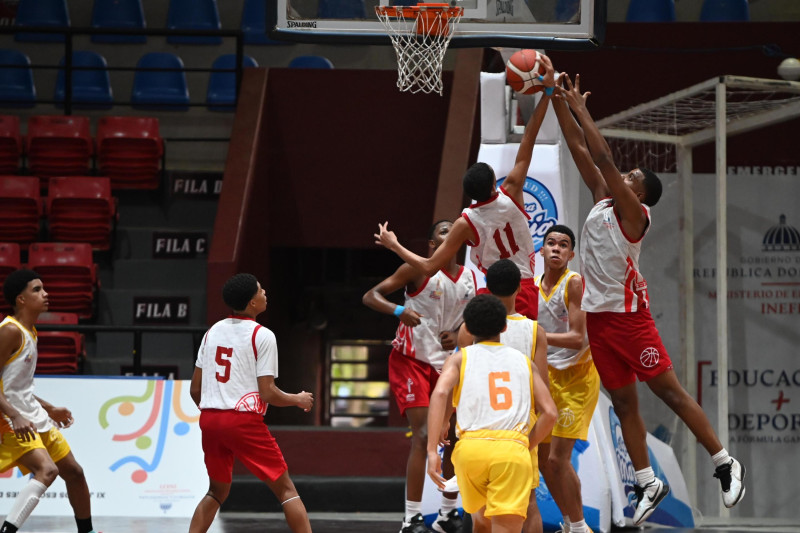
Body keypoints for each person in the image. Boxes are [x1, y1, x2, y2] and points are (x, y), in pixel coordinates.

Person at [553, 73, 745, 525]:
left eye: (631, 177)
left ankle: (724, 462)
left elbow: (602, 155)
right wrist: (554, 96)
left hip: (630, 321)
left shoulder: (635, 216)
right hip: (600, 321)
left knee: (670, 393)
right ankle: (647, 482)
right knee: (624, 405)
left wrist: (582, 108)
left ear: (638, 193)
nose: (622, 175)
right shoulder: (603, 200)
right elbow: (580, 149)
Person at [374, 53, 557, 322]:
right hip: (525, 288)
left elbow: (429, 266)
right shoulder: (512, 190)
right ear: (494, 183)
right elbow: (528, 137)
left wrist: (394, 245)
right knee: (526, 347)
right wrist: (548, 94)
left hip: (491, 292)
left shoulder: (465, 222)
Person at [363, 220, 475, 533]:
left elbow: (472, 319)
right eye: (442, 230)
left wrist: (458, 331)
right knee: (424, 434)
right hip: (410, 360)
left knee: (453, 437)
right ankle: (411, 518)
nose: (450, 232)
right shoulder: (416, 270)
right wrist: (400, 311)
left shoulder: (470, 277)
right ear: (431, 244)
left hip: (447, 365)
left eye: (453, 229)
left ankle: (447, 514)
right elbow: (370, 296)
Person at [189, 273, 314, 533]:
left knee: (215, 491)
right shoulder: (262, 335)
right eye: (260, 290)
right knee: (286, 490)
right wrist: (297, 399)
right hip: (242, 420)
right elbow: (268, 393)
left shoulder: (212, 332)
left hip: (209, 419)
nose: (264, 292)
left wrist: (216, 410)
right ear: (252, 303)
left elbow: (195, 389)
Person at [426, 294, 556, 533]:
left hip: (470, 451)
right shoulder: (525, 362)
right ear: (504, 327)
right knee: (506, 527)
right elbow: (550, 413)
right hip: (511, 450)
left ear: (467, 328)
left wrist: (432, 449)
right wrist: (526, 444)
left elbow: (440, 393)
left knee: (481, 525)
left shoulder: (458, 359)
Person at [456, 259, 551, 533]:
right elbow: (543, 390)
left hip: (478, 426)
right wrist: (532, 439)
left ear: (486, 287)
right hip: (518, 427)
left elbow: (459, 381)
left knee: (479, 513)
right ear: (520, 287)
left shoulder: (469, 326)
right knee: (528, 503)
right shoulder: (535, 331)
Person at [0, 269, 98, 533]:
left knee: (74, 472)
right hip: (10, 419)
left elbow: (17, 387)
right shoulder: (9, 331)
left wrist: (49, 408)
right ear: (21, 299)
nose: (46, 294)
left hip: (30, 415)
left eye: (43, 288)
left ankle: (86, 531)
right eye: (37, 290)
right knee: (47, 470)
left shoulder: (30, 331)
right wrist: (15, 415)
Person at [535, 225, 600, 533]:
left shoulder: (573, 283)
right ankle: (572, 523)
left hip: (577, 378)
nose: (556, 248)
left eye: (563, 245)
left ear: (571, 254)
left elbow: (576, 338)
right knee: (544, 461)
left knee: (559, 460)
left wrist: (537, 335)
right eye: (551, 243)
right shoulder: (532, 286)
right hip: (547, 377)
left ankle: (579, 527)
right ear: (542, 250)